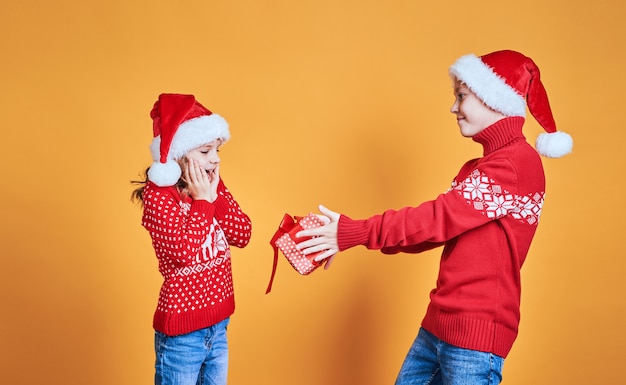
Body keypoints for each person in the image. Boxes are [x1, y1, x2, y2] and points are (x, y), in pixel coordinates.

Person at [296, 50, 572, 385]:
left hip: (475, 338)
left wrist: (355, 232)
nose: (453, 108)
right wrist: (350, 237)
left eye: (461, 96)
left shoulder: (515, 164)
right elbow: (433, 232)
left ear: (492, 96)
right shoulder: (479, 168)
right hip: (438, 326)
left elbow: (436, 218)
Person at [132, 93, 252, 385]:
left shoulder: (212, 186)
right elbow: (183, 254)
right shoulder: (159, 197)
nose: (215, 159)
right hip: (182, 337)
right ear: (179, 153)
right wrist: (202, 202)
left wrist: (214, 194)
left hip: (218, 327)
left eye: (217, 150)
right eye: (205, 151)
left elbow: (242, 233)